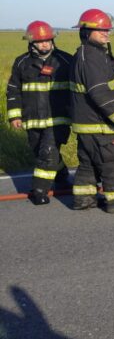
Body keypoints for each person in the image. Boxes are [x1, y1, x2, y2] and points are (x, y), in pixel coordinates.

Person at [70, 8, 114, 213]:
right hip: (100, 125)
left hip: (86, 126)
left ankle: (83, 200)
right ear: (86, 32)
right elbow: (98, 92)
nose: (106, 33)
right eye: (100, 30)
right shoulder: (92, 57)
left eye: (107, 29)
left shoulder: (85, 54)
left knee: (89, 164)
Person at [6, 21, 73, 205]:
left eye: (48, 40)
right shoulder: (21, 62)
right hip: (32, 120)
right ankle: (61, 175)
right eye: (40, 41)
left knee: (48, 151)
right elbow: (13, 90)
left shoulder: (66, 60)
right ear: (31, 42)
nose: (45, 44)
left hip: (57, 119)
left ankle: (38, 190)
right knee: (40, 152)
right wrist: (15, 115)